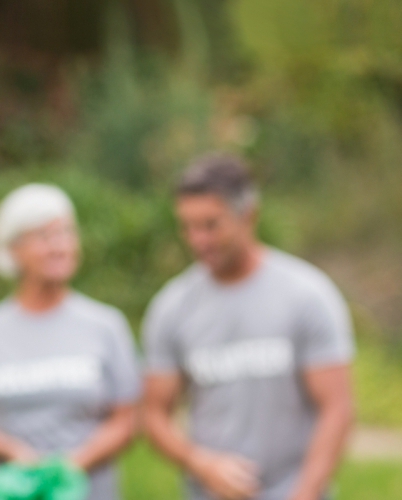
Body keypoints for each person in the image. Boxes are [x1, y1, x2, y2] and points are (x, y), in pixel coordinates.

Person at [141, 154, 355, 500]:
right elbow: (154, 413)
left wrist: (305, 493)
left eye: (211, 225)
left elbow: (337, 409)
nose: (198, 240)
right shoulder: (172, 307)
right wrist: (200, 462)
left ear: (249, 215)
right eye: (188, 226)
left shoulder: (306, 295)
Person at [0, 184, 142, 500]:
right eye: (44, 237)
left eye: (66, 233)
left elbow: (126, 420)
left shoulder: (106, 325)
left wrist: (70, 467)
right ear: (12, 250)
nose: (59, 246)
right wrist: (10, 451)